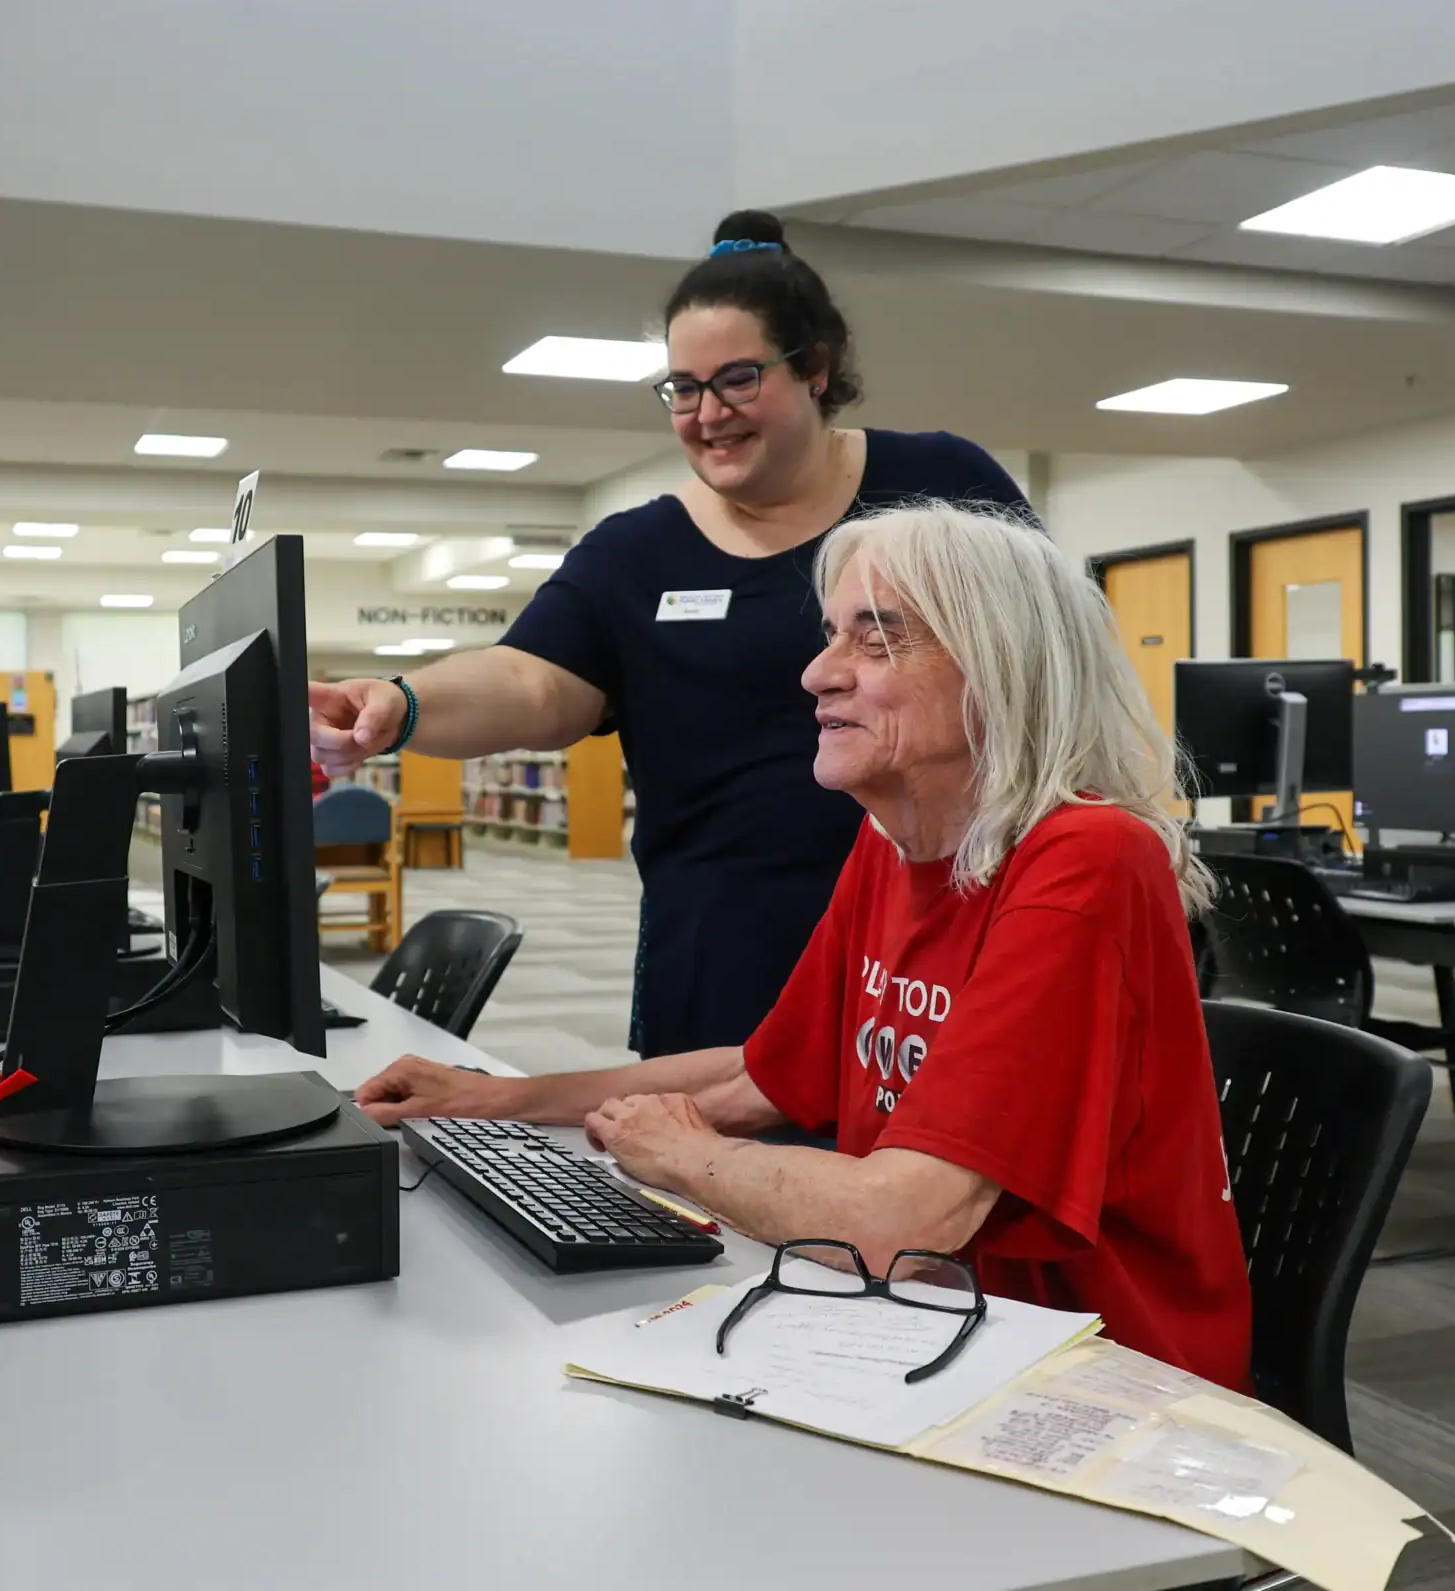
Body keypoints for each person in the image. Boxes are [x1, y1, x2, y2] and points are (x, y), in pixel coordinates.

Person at [356, 503, 1251, 1390]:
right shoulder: (892, 841)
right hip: (931, 1328)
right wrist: (502, 1096)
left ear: (1000, 667)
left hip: (1101, 1373)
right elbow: (757, 1079)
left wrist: (684, 1157)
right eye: (832, 635)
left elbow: (904, 1219)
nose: (818, 673)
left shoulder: (1085, 855)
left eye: (878, 638)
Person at [308, 211, 1028, 1057]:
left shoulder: (942, 487)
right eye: (682, 388)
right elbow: (533, 681)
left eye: (738, 379)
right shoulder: (636, 550)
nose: (707, 413)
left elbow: (1053, 670)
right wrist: (399, 702)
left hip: (939, 946)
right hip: (721, 965)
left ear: (816, 369)